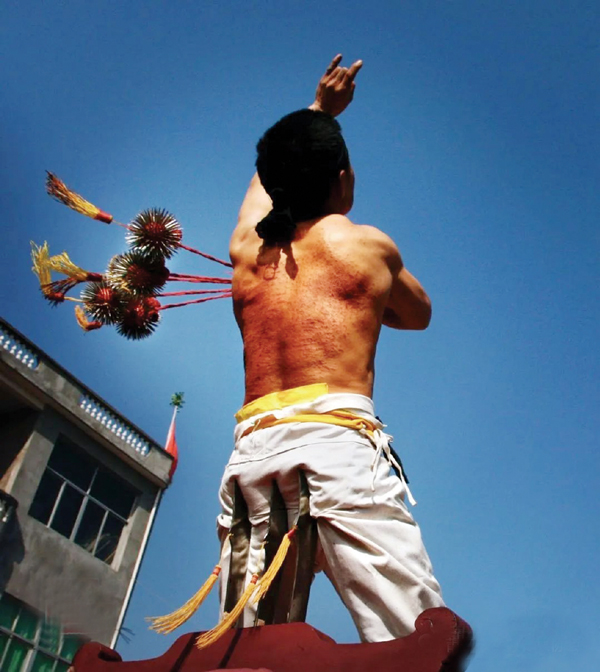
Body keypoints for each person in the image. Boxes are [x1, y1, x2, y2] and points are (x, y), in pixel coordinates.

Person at [217, 55, 444, 643]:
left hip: (252, 454)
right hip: (335, 446)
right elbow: (419, 315)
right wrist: (363, 294)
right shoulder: (367, 247)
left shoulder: (246, 251)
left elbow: (260, 188)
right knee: (416, 640)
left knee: (248, 650)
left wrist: (319, 109)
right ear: (342, 179)